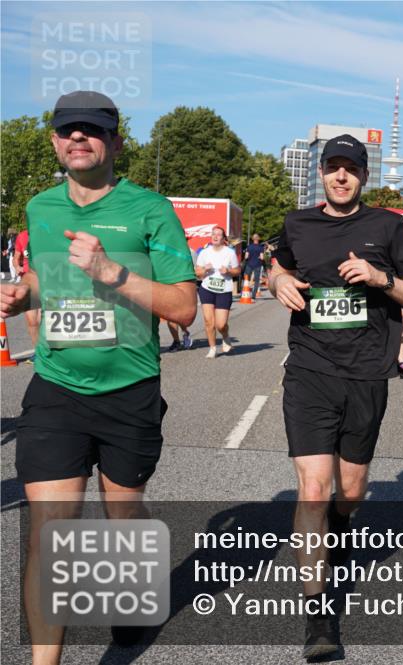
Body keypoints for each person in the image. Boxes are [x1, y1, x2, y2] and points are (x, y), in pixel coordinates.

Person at [0, 91, 197, 665]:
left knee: (122, 516)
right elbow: (48, 278)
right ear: (56, 141)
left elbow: (184, 308)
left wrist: (113, 272)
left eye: (91, 129)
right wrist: (23, 295)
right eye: (67, 130)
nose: (78, 138)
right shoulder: (41, 207)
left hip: (129, 393)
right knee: (48, 535)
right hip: (56, 388)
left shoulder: (149, 210)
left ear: (114, 141)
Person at [270, 134, 403, 660]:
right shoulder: (298, 223)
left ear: (364, 175)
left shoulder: (389, 227)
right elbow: (279, 262)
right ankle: (318, 616)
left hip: (366, 375)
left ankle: (338, 526)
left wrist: (380, 277)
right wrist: (276, 281)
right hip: (310, 369)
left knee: (351, 492)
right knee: (312, 489)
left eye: (351, 169)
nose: (341, 177)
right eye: (332, 167)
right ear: (321, 172)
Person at [195, 226, 239, 358]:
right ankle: (212, 348)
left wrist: (229, 271)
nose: (215, 236)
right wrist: (204, 270)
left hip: (224, 290)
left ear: (223, 238)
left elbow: (237, 271)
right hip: (207, 289)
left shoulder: (230, 253)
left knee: (221, 324)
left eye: (218, 235)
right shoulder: (204, 253)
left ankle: (225, 336)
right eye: (213, 234)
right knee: (209, 321)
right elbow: (197, 273)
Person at [12, 229, 41, 361]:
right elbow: (16, 257)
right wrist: (17, 267)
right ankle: (38, 352)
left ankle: (49, 352)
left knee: (43, 320)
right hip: (29, 283)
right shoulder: (22, 236)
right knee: (32, 321)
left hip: (46, 281)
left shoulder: (46, 233)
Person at [243, 233, 267, 300]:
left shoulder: (249, 247)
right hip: (258, 265)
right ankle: (253, 296)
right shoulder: (260, 247)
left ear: (253, 239)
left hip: (249, 264)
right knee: (256, 280)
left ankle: (245, 293)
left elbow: (246, 256)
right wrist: (259, 257)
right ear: (258, 239)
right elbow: (262, 258)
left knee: (246, 278)